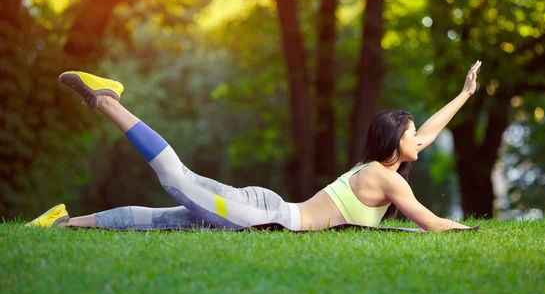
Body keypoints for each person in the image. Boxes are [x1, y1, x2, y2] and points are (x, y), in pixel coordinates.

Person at [26, 61, 482, 232]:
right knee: (175, 179)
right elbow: (431, 222)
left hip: (266, 208)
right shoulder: (383, 175)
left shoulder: (380, 164)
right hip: (267, 216)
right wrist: (469, 233)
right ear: (394, 140)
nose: (419, 136)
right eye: (411, 131)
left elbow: (430, 133)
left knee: (167, 220)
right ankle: (107, 100)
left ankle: (63, 223)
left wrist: (463, 95)